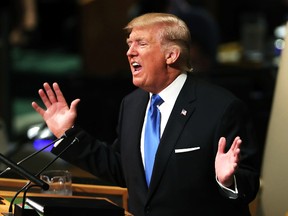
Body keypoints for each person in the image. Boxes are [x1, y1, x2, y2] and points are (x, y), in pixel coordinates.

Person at [32, 13, 260, 216]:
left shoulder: (221, 108)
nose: (130, 52)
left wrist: (227, 180)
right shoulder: (132, 104)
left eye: (141, 43)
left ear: (171, 55)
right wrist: (67, 133)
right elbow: (124, 170)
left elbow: (248, 184)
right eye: (129, 44)